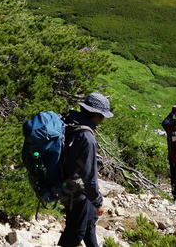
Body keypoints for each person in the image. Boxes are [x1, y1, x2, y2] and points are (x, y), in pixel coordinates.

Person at [57, 92, 114, 247]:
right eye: (102, 116)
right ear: (95, 115)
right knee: (76, 232)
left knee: (89, 223)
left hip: (67, 186)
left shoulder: (70, 123)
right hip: (78, 192)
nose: (102, 120)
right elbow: (89, 176)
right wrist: (98, 201)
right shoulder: (87, 137)